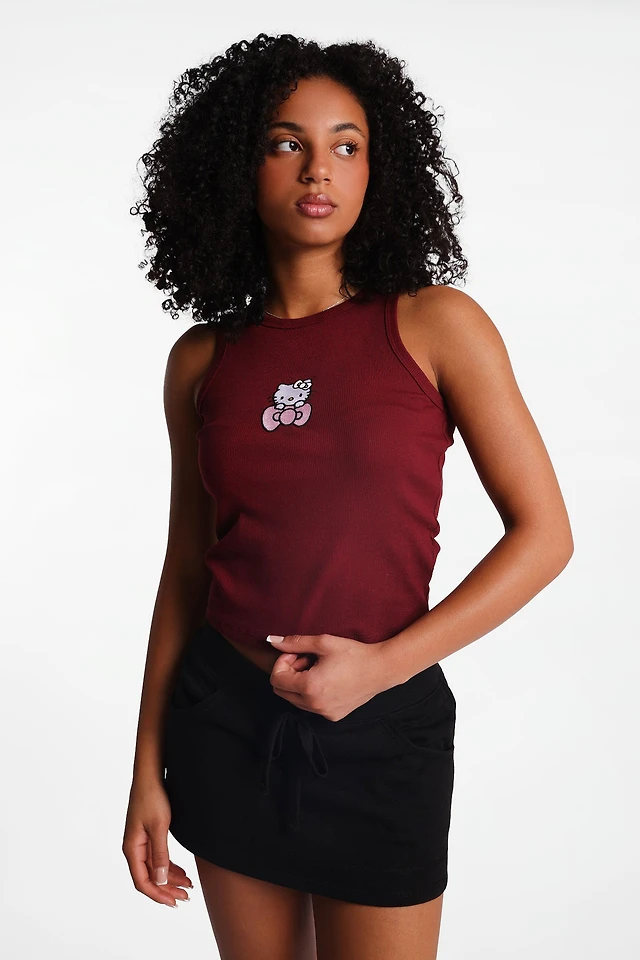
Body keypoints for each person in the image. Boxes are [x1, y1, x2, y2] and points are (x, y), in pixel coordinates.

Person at [123, 33, 573, 960]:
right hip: (224, 721)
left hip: (384, 726)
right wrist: (145, 768)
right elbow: (186, 571)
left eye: (346, 144)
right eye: (286, 142)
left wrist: (383, 667)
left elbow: (545, 536)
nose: (317, 168)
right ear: (238, 164)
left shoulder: (436, 324)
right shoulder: (201, 360)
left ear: (379, 167)